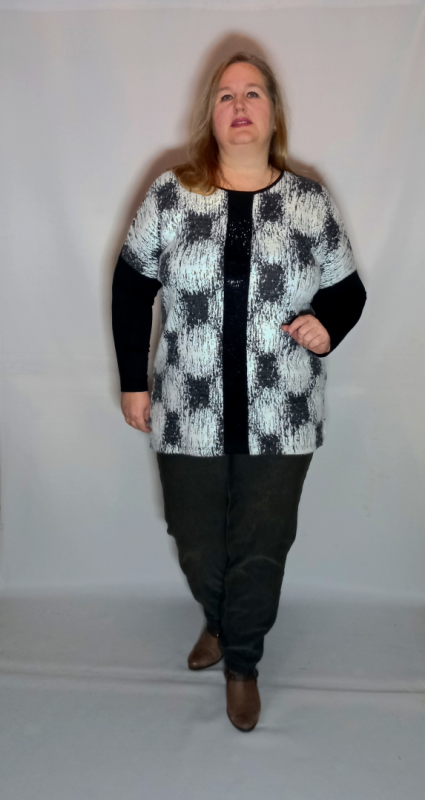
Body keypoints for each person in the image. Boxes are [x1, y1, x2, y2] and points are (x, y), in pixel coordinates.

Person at [111, 51, 367, 732]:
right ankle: (220, 621)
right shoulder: (171, 194)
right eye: (225, 95)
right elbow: (131, 288)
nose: (240, 104)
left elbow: (347, 291)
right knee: (193, 536)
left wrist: (326, 325)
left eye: (253, 92)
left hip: (282, 412)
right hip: (184, 408)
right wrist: (134, 382)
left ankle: (242, 662)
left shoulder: (309, 202)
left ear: (273, 113)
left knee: (262, 542)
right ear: (211, 115)